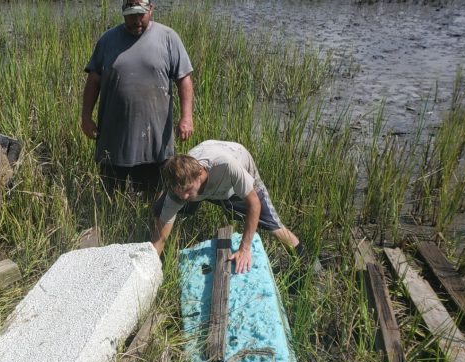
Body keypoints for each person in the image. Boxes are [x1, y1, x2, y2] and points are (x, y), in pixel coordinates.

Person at [151, 140, 319, 274]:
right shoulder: (180, 190)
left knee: (273, 226)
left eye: (187, 191)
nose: (184, 197)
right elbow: (159, 239)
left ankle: (307, 266)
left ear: (200, 173)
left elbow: (254, 203)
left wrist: (244, 248)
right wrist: (152, 268)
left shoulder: (227, 166)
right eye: (180, 192)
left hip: (235, 173)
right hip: (206, 180)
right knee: (160, 212)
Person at [81, 0, 194, 194]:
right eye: (131, 14)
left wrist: (187, 117)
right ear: (123, 12)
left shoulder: (168, 38)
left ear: (151, 9)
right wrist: (85, 118)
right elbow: (93, 81)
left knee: (152, 198)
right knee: (110, 199)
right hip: (113, 139)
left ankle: (150, 224)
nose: (136, 20)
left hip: (154, 141)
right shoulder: (107, 40)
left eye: (141, 14)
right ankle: (110, 224)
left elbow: (184, 79)